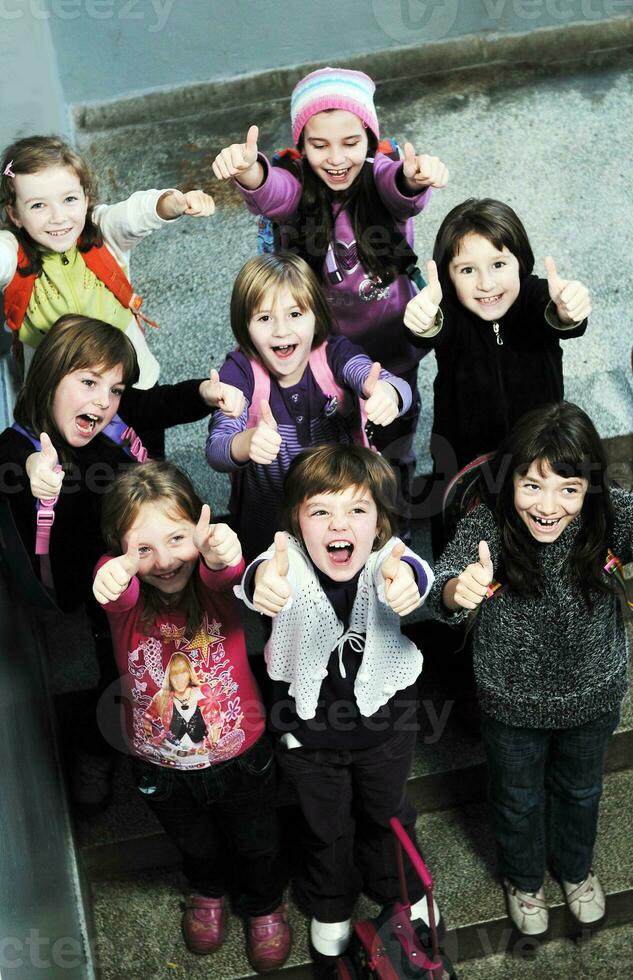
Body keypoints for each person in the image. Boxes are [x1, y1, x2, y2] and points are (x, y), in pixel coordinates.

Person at [0, 314, 243, 812]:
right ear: (48, 375)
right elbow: (15, 463)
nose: (103, 401)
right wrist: (37, 477)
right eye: (88, 382)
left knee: (196, 648)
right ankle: (98, 750)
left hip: (165, 562)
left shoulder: (114, 416)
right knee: (123, 672)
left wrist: (203, 393)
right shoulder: (21, 447)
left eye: (113, 389)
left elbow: (155, 403)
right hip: (105, 592)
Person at [425, 402, 632, 939]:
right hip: (510, 704)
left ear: (589, 489)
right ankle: (523, 880)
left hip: (594, 695)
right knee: (516, 798)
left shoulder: (606, 519)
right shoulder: (485, 527)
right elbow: (442, 584)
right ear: (509, 478)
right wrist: (457, 590)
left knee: (582, 790)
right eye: (532, 485)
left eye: (568, 488)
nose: (548, 506)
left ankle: (575, 870)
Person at [212, 67, 449, 530]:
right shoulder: (296, 186)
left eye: (350, 143)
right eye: (319, 145)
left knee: (395, 425)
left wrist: (416, 178)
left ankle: (394, 496)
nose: (336, 158)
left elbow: (400, 189)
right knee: (342, 435)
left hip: (392, 347)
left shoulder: (382, 172)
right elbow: (271, 192)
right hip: (326, 356)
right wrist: (250, 171)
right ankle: (336, 511)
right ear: (302, 146)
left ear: (369, 138)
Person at [236, 444, 435, 960]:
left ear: (380, 522)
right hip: (308, 741)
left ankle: (399, 888)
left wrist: (411, 579)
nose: (337, 525)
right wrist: (262, 581)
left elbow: (410, 567)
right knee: (324, 825)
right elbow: (261, 571)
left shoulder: (386, 557)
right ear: (296, 522)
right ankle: (330, 899)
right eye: (320, 510)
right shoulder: (288, 559)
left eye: (356, 510)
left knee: (389, 812)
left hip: (385, 733)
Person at [93, 461, 290, 971]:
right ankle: (207, 890)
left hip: (242, 758)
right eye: (143, 549)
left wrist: (222, 549)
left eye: (177, 539)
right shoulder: (126, 599)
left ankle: (263, 903)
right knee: (195, 844)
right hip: (160, 770)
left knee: (257, 842)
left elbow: (224, 568)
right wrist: (113, 570)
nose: (163, 561)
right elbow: (116, 587)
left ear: (197, 533)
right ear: (120, 550)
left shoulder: (213, 583)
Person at [403, 198, 590, 547]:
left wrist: (569, 311)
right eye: (467, 270)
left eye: (499, 263)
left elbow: (562, 317)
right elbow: (430, 327)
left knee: (536, 530)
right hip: (462, 456)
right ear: (448, 277)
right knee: (463, 534)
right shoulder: (450, 311)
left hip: (537, 451)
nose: (486, 284)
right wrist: (422, 321)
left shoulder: (535, 296)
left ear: (521, 263)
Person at [206, 251, 412, 561]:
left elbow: (385, 382)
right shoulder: (240, 371)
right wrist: (246, 442)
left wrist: (387, 392)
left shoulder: (334, 354)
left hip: (340, 520)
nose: (281, 330)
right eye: (264, 318)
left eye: (295, 314)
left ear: (317, 316)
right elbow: (217, 448)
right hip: (270, 528)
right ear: (244, 325)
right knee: (277, 598)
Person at [0, 134, 214, 385]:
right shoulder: (13, 251)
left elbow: (131, 215)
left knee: (147, 420)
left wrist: (169, 203)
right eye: (38, 205)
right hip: (58, 395)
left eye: (69, 199)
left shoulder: (102, 230)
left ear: (86, 199)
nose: (58, 217)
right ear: (14, 215)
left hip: (132, 380)